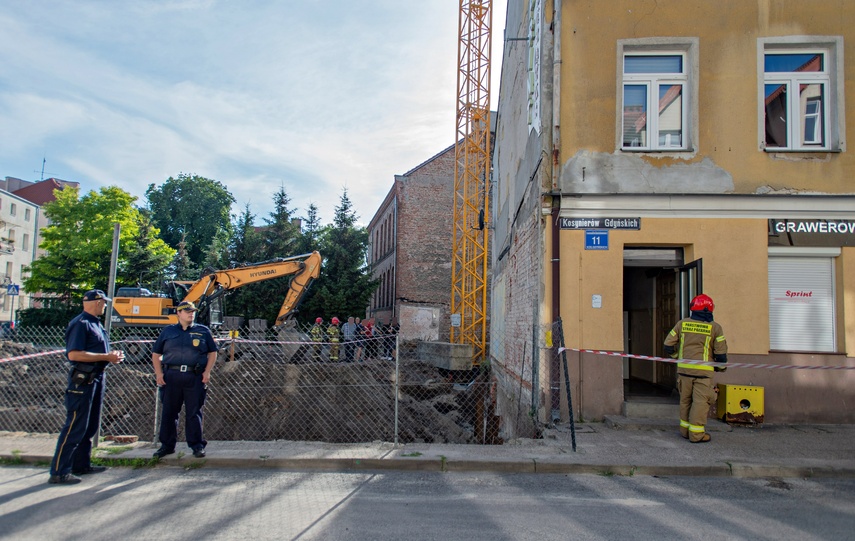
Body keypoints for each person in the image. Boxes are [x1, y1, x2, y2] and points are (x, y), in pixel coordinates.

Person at [49, 289, 125, 485]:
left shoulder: (95, 323)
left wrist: (110, 357)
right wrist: (106, 357)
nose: (106, 305)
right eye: (104, 302)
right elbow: (74, 355)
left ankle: (81, 464)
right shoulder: (81, 324)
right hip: (83, 380)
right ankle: (59, 471)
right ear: (97, 302)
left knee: (89, 425)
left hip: (96, 377)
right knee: (75, 426)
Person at [151, 301, 218, 459]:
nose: (191, 313)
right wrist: (159, 374)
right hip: (171, 377)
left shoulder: (203, 331)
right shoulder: (168, 331)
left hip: (194, 377)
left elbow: (212, 353)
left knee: (194, 412)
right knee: (169, 412)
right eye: (187, 311)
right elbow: (155, 354)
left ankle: (197, 446)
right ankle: (167, 446)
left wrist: (207, 372)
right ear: (178, 313)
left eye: (193, 311)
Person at [663, 294, 728, 443]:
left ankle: (685, 431)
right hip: (703, 374)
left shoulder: (682, 324)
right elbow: (721, 354)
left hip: (684, 372)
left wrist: (675, 357)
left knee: (685, 401)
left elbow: (668, 344)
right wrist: (720, 368)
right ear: (710, 309)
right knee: (700, 403)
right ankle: (696, 435)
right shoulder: (715, 328)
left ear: (693, 308)